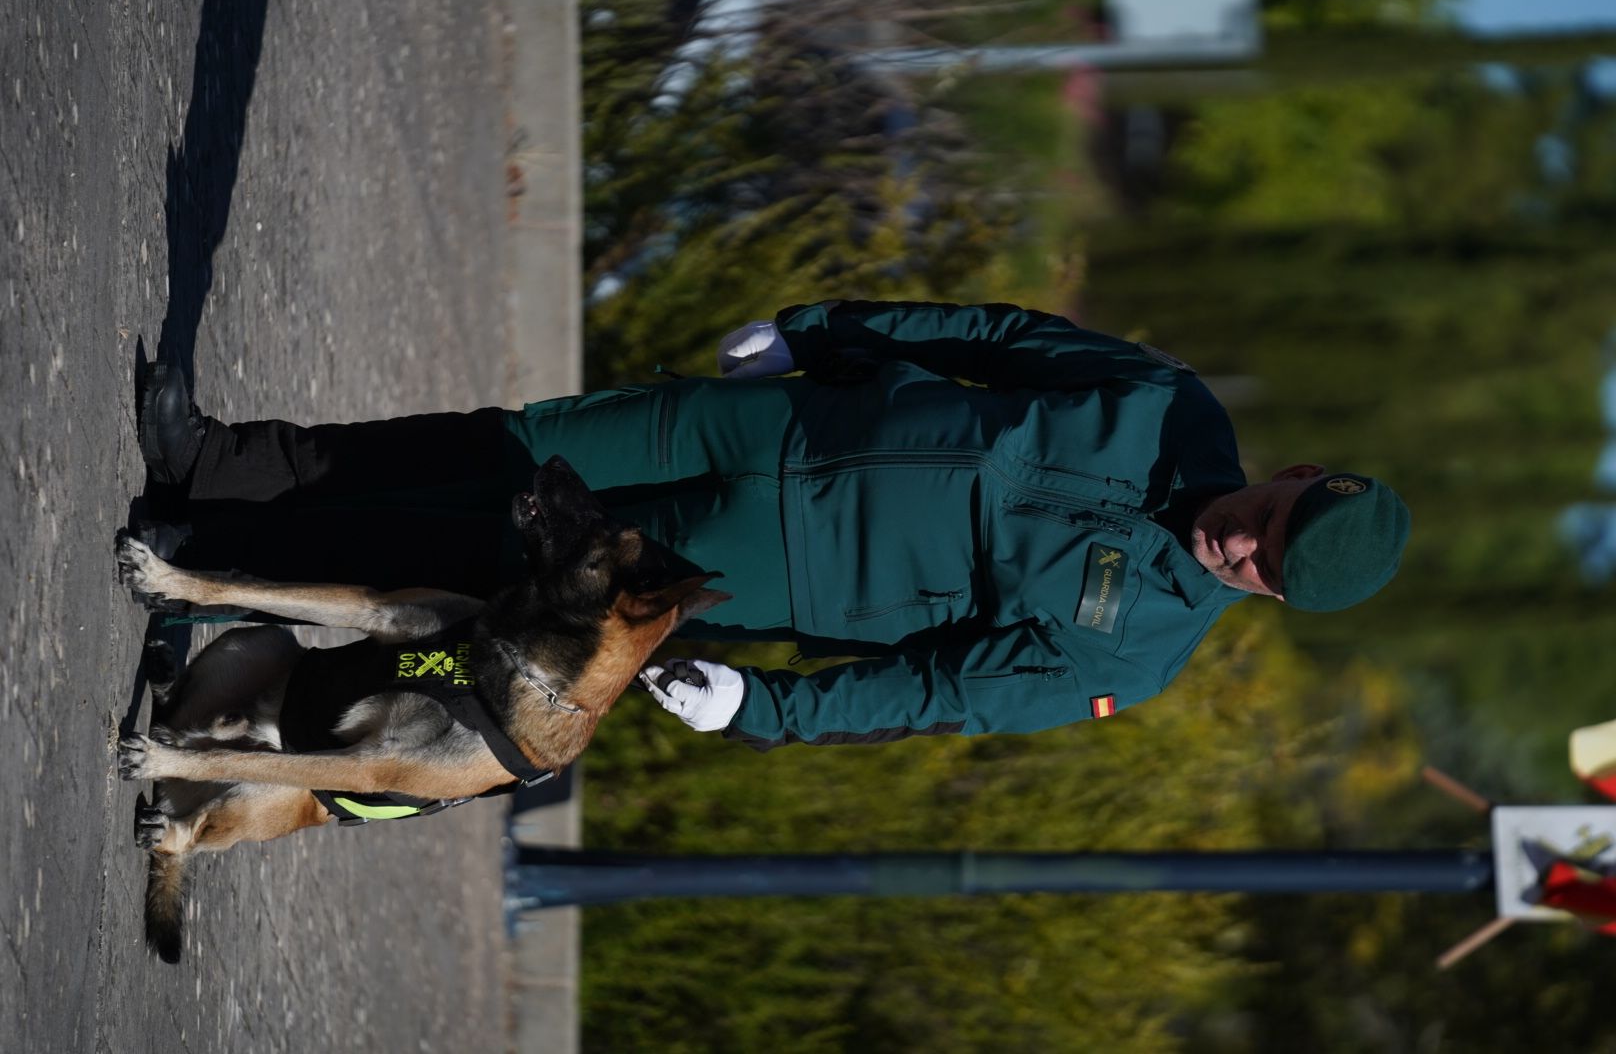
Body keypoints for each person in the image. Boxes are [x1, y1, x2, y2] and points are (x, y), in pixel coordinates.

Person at [137, 300, 1409, 751]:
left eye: (1265, 567)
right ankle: (215, 463)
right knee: (498, 444)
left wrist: (766, 711)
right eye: (1271, 515)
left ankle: (207, 574)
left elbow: (933, 694)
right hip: (770, 432)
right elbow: (1002, 339)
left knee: (472, 555)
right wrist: (829, 331)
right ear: (1291, 470)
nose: (1242, 541)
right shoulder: (1166, 408)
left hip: (748, 568)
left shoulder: (1128, 657)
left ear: (1273, 600)